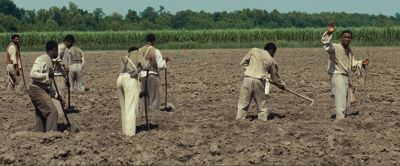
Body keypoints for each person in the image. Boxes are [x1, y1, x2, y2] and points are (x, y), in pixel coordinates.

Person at [321, 21, 369, 120]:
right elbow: (327, 45)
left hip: (345, 77)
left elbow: (352, 64)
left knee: (346, 101)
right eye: (345, 37)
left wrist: (362, 63)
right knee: (340, 100)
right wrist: (329, 33)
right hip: (337, 76)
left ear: (351, 39)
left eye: (349, 37)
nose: (347, 39)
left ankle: (344, 118)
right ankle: (340, 119)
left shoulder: (349, 50)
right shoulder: (335, 48)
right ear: (341, 38)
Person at [236, 43, 286, 122]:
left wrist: (250, 70)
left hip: (247, 79)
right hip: (259, 81)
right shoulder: (271, 60)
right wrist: (281, 85)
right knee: (261, 105)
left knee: (243, 103)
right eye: (274, 53)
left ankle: (239, 121)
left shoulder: (254, 50)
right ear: (271, 51)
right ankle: (262, 122)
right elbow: (275, 77)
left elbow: (242, 63)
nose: (273, 55)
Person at [117, 47, 149, 136]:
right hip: (129, 80)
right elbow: (145, 66)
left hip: (120, 79)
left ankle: (125, 131)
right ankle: (130, 133)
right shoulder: (137, 53)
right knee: (130, 107)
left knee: (124, 108)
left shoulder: (125, 57)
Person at [28, 40, 59, 132]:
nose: (57, 52)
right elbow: (33, 74)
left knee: (41, 113)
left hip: (41, 90)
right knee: (52, 111)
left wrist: (56, 96)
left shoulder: (50, 60)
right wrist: (47, 75)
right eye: (57, 50)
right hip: (37, 89)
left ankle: (39, 133)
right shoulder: (42, 59)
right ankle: (51, 134)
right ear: (54, 49)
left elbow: (48, 84)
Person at [139, 34, 169, 112]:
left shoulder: (139, 51)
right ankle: (153, 111)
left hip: (142, 76)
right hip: (152, 75)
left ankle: (144, 111)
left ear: (146, 41)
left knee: (143, 95)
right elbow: (161, 66)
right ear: (154, 41)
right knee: (154, 95)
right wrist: (165, 61)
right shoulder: (156, 51)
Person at [51, 35, 73, 114]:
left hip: (61, 74)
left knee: (62, 93)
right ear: (69, 41)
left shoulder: (64, 48)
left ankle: (60, 110)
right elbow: (55, 57)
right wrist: (63, 65)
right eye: (72, 43)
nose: (72, 45)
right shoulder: (62, 47)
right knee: (60, 93)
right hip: (58, 75)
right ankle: (59, 111)